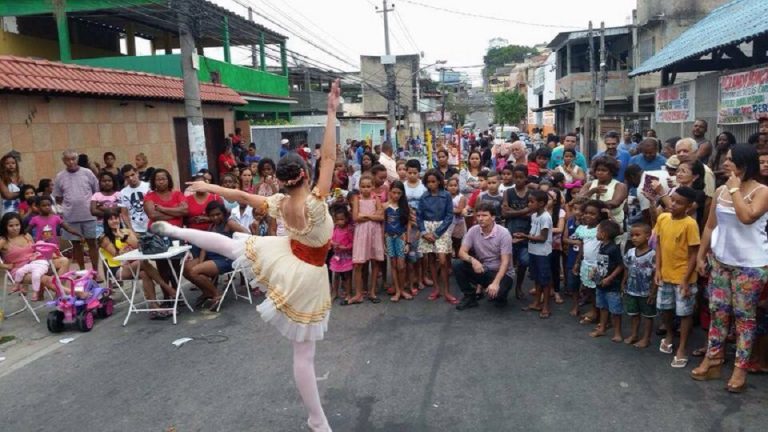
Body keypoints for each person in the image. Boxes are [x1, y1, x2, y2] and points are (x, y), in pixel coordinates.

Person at [151, 80, 341, 431]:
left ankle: (176, 233)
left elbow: (240, 195)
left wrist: (210, 187)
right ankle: (317, 421)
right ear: (304, 174)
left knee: (232, 244)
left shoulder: (280, 202)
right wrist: (331, 113)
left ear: (283, 180)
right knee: (304, 354)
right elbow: (328, 156)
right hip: (307, 268)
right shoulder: (314, 203)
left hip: (288, 253)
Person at [692, 144, 768, 392]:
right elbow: (710, 226)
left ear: (745, 165)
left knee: (744, 319)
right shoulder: (721, 190)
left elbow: (747, 217)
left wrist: (735, 189)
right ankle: (713, 359)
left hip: (750, 266)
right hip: (721, 262)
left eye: (731, 160)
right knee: (718, 312)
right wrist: (702, 256)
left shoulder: (762, 191)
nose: (725, 163)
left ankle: (739, 369)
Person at [99, 208, 175, 320]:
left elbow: (137, 246)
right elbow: (117, 254)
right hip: (119, 269)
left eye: (116, 218)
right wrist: (121, 238)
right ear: (106, 222)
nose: (114, 221)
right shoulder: (104, 238)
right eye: (111, 219)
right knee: (142, 263)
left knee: (144, 273)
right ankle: (167, 288)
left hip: (133, 265)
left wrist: (123, 236)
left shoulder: (127, 231)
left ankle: (154, 308)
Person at [654, 186, 701, 369]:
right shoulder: (663, 218)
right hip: (665, 274)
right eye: (672, 200)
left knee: (684, 313)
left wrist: (685, 280)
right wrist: (658, 269)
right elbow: (658, 245)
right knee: (665, 308)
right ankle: (669, 336)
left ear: (689, 206)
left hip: (683, 277)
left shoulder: (690, 224)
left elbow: (693, 254)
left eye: (679, 203)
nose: (673, 204)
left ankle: (682, 348)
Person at [185, 201, 249, 310]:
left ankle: (216, 294)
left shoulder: (229, 224)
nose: (215, 217)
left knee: (194, 271)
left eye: (218, 214)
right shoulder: (212, 226)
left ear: (223, 213)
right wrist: (201, 262)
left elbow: (246, 234)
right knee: (186, 269)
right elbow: (205, 246)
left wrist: (237, 249)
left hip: (226, 259)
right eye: (212, 215)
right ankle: (207, 292)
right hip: (211, 257)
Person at [454, 202, 515, 310]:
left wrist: (495, 283)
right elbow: (461, 252)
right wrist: (473, 261)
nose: (480, 218)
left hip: (502, 273)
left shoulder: (504, 233)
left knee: (498, 295)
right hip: (483, 268)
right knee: (457, 265)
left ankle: (501, 295)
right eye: (478, 215)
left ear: (493, 217)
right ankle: (469, 297)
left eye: (484, 215)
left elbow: (505, 262)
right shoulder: (473, 230)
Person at [53, 150, 100, 271]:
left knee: (92, 243)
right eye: (68, 159)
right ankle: (82, 270)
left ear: (77, 159)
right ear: (64, 161)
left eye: (73, 159)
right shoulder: (60, 176)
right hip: (71, 217)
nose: (71, 162)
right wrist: (62, 211)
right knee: (76, 245)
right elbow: (58, 197)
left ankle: (95, 271)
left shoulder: (87, 173)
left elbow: (96, 191)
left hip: (89, 215)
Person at [418, 169, 457, 305]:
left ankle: (446, 290)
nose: (431, 184)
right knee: (430, 259)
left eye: (433, 181)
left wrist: (436, 233)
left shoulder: (446, 196)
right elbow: (419, 216)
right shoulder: (424, 197)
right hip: (427, 229)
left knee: (442, 260)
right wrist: (424, 232)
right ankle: (436, 289)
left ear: (439, 181)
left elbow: (449, 216)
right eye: (428, 182)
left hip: (442, 229)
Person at [515, 190, 553, 318]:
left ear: (541, 203)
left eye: (532, 202)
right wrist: (522, 238)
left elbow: (542, 238)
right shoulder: (534, 216)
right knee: (536, 278)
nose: (529, 204)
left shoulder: (546, 217)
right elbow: (533, 234)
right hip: (533, 251)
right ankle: (537, 302)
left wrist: (525, 236)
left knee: (545, 280)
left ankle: (546, 306)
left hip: (543, 253)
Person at [0, 212, 55, 301]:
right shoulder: (3, 240)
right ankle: (70, 295)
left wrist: (42, 253)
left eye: (17, 225)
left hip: (34, 263)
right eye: (11, 226)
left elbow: (36, 250)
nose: (15, 228)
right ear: (5, 226)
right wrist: (6, 266)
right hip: (19, 270)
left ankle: (58, 294)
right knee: (47, 280)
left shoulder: (26, 235)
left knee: (64, 261)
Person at [347, 173, 385, 305]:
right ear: (359, 187)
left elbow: (381, 217)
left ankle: (372, 291)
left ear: (373, 187)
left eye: (368, 186)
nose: (366, 189)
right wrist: (372, 215)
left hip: (374, 232)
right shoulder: (357, 199)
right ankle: (358, 293)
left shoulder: (376, 198)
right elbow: (355, 217)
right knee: (358, 263)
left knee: (375, 262)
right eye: (363, 186)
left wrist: (366, 216)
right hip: (361, 233)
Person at [572, 200, 608, 324]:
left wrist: (608, 215)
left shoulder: (602, 228)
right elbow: (582, 246)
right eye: (586, 213)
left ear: (599, 215)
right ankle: (594, 310)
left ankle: (601, 314)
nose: (588, 216)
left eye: (593, 214)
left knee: (599, 290)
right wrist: (577, 263)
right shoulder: (582, 228)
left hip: (598, 265)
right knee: (589, 289)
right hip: (586, 263)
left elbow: (617, 229)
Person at [589, 220, 624, 341]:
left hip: (612, 285)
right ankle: (602, 328)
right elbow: (601, 262)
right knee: (603, 307)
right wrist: (594, 271)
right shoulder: (602, 246)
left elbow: (620, 265)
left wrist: (610, 277)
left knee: (615, 310)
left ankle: (617, 332)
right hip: (600, 282)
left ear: (604, 234)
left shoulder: (613, 248)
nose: (596, 233)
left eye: (598, 231)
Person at [622, 222, 656, 349]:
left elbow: (655, 274)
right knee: (633, 314)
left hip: (646, 291)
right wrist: (623, 282)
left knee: (648, 316)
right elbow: (626, 268)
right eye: (632, 235)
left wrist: (653, 292)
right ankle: (634, 334)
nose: (634, 238)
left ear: (648, 236)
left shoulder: (653, 255)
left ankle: (646, 338)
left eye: (637, 235)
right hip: (631, 290)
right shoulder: (630, 252)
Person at [501, 165, 531, 300]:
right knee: (508, 262)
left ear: (526, 178)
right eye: (516, 177)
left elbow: (533, 213)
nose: (518, 180)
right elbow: (504, 213)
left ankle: (518, 286)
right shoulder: (508, 192)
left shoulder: (530, 193)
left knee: (524, 261)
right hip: (510, 232)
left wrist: (513, 212)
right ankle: (505, 287)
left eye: (521, 177)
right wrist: (524, 211)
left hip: (526, 232)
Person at [578, 156, 627, 227]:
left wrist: (593, 204)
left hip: (612, 225)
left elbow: (615, 203)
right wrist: (592, 191)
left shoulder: (620, 186)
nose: (600, 173)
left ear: (611, 172)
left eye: (604, 170)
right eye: (598, 170)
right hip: (589, 224)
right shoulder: (589, 184)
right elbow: (579, 200)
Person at [384, 181, 412, 302]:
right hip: (389, 238)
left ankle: (402, 289)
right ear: (389, 192)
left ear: (402, 194)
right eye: (394, 192)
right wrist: (383, 242)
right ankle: (398, 290)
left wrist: (408, 242)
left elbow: (409, 225)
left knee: (401, 265)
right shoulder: (385, 206)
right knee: (393, 264)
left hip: (401, 237)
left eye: (399, 193)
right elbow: (383, 224)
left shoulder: (405, 207)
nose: (396, 195)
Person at [329, 205, 354, 302]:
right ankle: (335, 292)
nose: (340, 222)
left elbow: (352, 243)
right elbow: (331, 239)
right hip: (337, 256)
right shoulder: (335, 229)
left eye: (342, 219)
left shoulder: (348, 230)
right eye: (338, 219)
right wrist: (333, 243)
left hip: (346, 256)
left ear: (346, 219)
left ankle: (348, 293)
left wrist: (345, 247)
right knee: (336, 275)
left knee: (347, 275)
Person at [118, 164, 150, 235]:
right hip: (135, 229)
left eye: (132, 175)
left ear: (137, 173)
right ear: (124, 178)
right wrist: (131, 230)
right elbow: (124, 214)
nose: (131, 178)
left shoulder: (149, 187)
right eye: (127, 177)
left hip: (151, 226)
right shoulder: (123, 193)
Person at [90, 171, 122, 238]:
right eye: (104, 181)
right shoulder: (96, 195)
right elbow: (93, 211)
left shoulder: (119, 194)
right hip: (100, 226)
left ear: (113, 182)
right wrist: (112, 212)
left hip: (117, 225)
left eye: (109, 180)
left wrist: (101, 207)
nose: (107, 183)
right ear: (100, 183)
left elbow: (121, 208)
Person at [447, 177, 466, 256]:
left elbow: (459, 210)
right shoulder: (445, 196)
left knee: (457, 243)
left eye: (455, 185)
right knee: (448, 245)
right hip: (447, 223)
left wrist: (446, 209)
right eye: (450, 185)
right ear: (447, 187)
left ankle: (457, 262)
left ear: (458, 186)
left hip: (458, 224)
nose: (453, 187)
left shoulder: (461, 197)